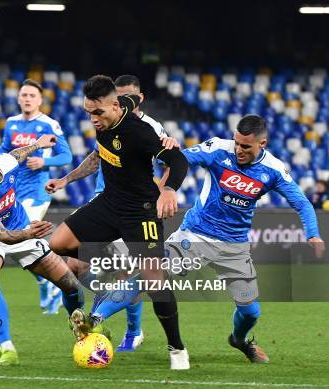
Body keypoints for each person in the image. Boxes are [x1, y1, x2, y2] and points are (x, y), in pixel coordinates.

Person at [45, 75, 190, 369]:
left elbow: (178, 161)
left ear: (114, 106)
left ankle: (177, 348)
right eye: (88, 112)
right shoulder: (118, 105)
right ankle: (105, 286)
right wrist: (66, 179)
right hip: (109, 203)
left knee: (154, 281)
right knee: (57, 244)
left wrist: (169, 190)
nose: (92, 119)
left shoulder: (139, 133)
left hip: (141, 211)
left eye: (97, 112)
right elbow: (134, 100)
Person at [162, 114, 325, 363]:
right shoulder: (218, 149)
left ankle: (239, 340)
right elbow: (180, 159)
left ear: (263, 144)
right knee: (152, 274)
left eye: (245, 146)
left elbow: (302, 203)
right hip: (196, 234)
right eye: (236, 142)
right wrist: (168, 163)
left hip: (235, 246)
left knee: (251, 312)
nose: (238, 149)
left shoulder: (273, 169)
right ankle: (94, 320)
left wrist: (313, 234)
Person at [0, 138, 84, 366]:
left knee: (71, 285)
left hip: (21, 227)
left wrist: (38, 144)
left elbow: (18, 153)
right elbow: (2, 236)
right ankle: (7, 350)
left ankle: (79, 326)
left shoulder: (6, 162)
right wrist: (31, 234)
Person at [0, 79, 73, 314]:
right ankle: (48, 282)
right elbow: (7, 154)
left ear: (40, 100)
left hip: (37, 192)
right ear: (18, 98)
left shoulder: (49, 124)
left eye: (32, 96)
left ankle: (54, 283)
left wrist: (44, 161)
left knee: (21, 238)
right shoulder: (11, 123)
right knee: (18, 242)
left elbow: (67, 156)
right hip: (13, 190)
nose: (27, 99)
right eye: (23, 95)